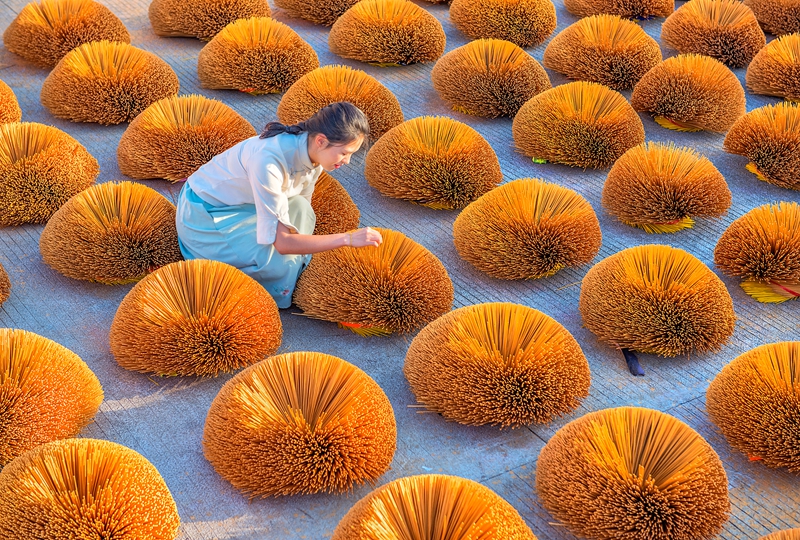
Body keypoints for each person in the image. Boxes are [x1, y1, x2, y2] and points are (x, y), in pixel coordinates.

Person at [175, 101, 383, 308]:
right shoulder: (268, 162)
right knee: (278, 262)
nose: (347, 161)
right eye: (344, 153)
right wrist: (347, 239)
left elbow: (299, 209)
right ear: (321, 140)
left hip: (244, 205)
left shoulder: (313, 156)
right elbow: (283, 243)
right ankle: (269, 289)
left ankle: (286, 274)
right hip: (204, 216)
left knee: (303, 211)